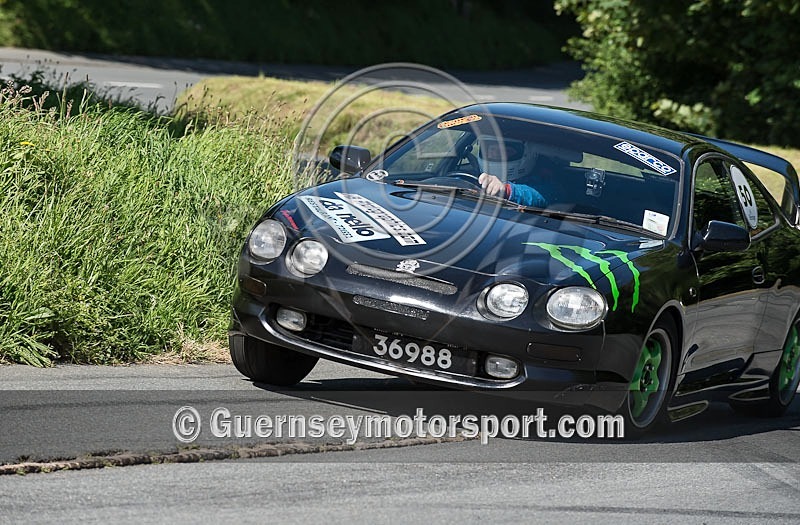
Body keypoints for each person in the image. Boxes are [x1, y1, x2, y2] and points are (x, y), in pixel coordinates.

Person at [476, 136, 553, 207]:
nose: (496, 154)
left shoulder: (542, 177)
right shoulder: (478, 176)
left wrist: (506, 190)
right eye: (492, 149)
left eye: (506, 151)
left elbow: (545, 195)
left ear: (527, 154)